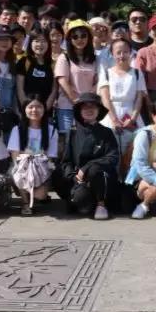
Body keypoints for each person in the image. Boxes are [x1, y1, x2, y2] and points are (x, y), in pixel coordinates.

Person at [54, 92, 120, 220]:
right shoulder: (72, 132)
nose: (89, 110)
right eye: (85, 107)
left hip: (100, 179)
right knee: (59, 174)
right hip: (79, 179)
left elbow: (113, 157)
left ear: (98, 110)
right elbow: (66, 161)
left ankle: (101, 204)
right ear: (79, 111)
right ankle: (80, 201)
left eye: (93, 107)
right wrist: (74, 178)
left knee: (95, 169)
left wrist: (87, 167)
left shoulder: (106, 132)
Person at [99, 38, 148, 159]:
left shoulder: (137, 73)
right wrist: (114, 120)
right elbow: (105, 98)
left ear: (130, 52)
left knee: (134, 152)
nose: (122, 55)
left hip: (131, 114)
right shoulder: (106, 73)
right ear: (112, 54)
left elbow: (139, 98)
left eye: (125, 52)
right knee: (110, 151)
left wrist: (133, 118)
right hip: (110, 115)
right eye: (118, 52)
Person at [8, 97, 58, 214]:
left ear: (44, 109)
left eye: (38, 107)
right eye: (30, 107)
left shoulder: (51, 130)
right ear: (24, 110)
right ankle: (26, 203)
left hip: (42, 167)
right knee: (16, 173)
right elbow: (15, 155)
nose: (34, 110)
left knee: (40, 195)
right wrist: (24, 168)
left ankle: (39, 195)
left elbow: (50, 157)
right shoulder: (17, 129)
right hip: (23, 166)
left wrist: (38, 169)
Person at [55, 19, 99, 136]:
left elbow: (98, 81)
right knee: (69, 141)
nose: (80, 39)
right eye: (75, 37)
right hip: (68, 108)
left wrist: (87, 100)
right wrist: (77, 101)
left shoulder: (95, 58)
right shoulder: (64, 57)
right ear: (69, 39)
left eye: (83, 35)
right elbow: (62, 81)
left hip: (89, 107)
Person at [16, 28, 57, 109]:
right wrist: (27, 108)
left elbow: (54, 90)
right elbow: (19, 89)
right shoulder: (24, 62)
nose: (40, 44)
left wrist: (44, 109)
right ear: (30, 43)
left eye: (43, 41)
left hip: (46, 110)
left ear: (48, 43)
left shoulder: (53, 64)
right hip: (27, 110)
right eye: (36, 41)